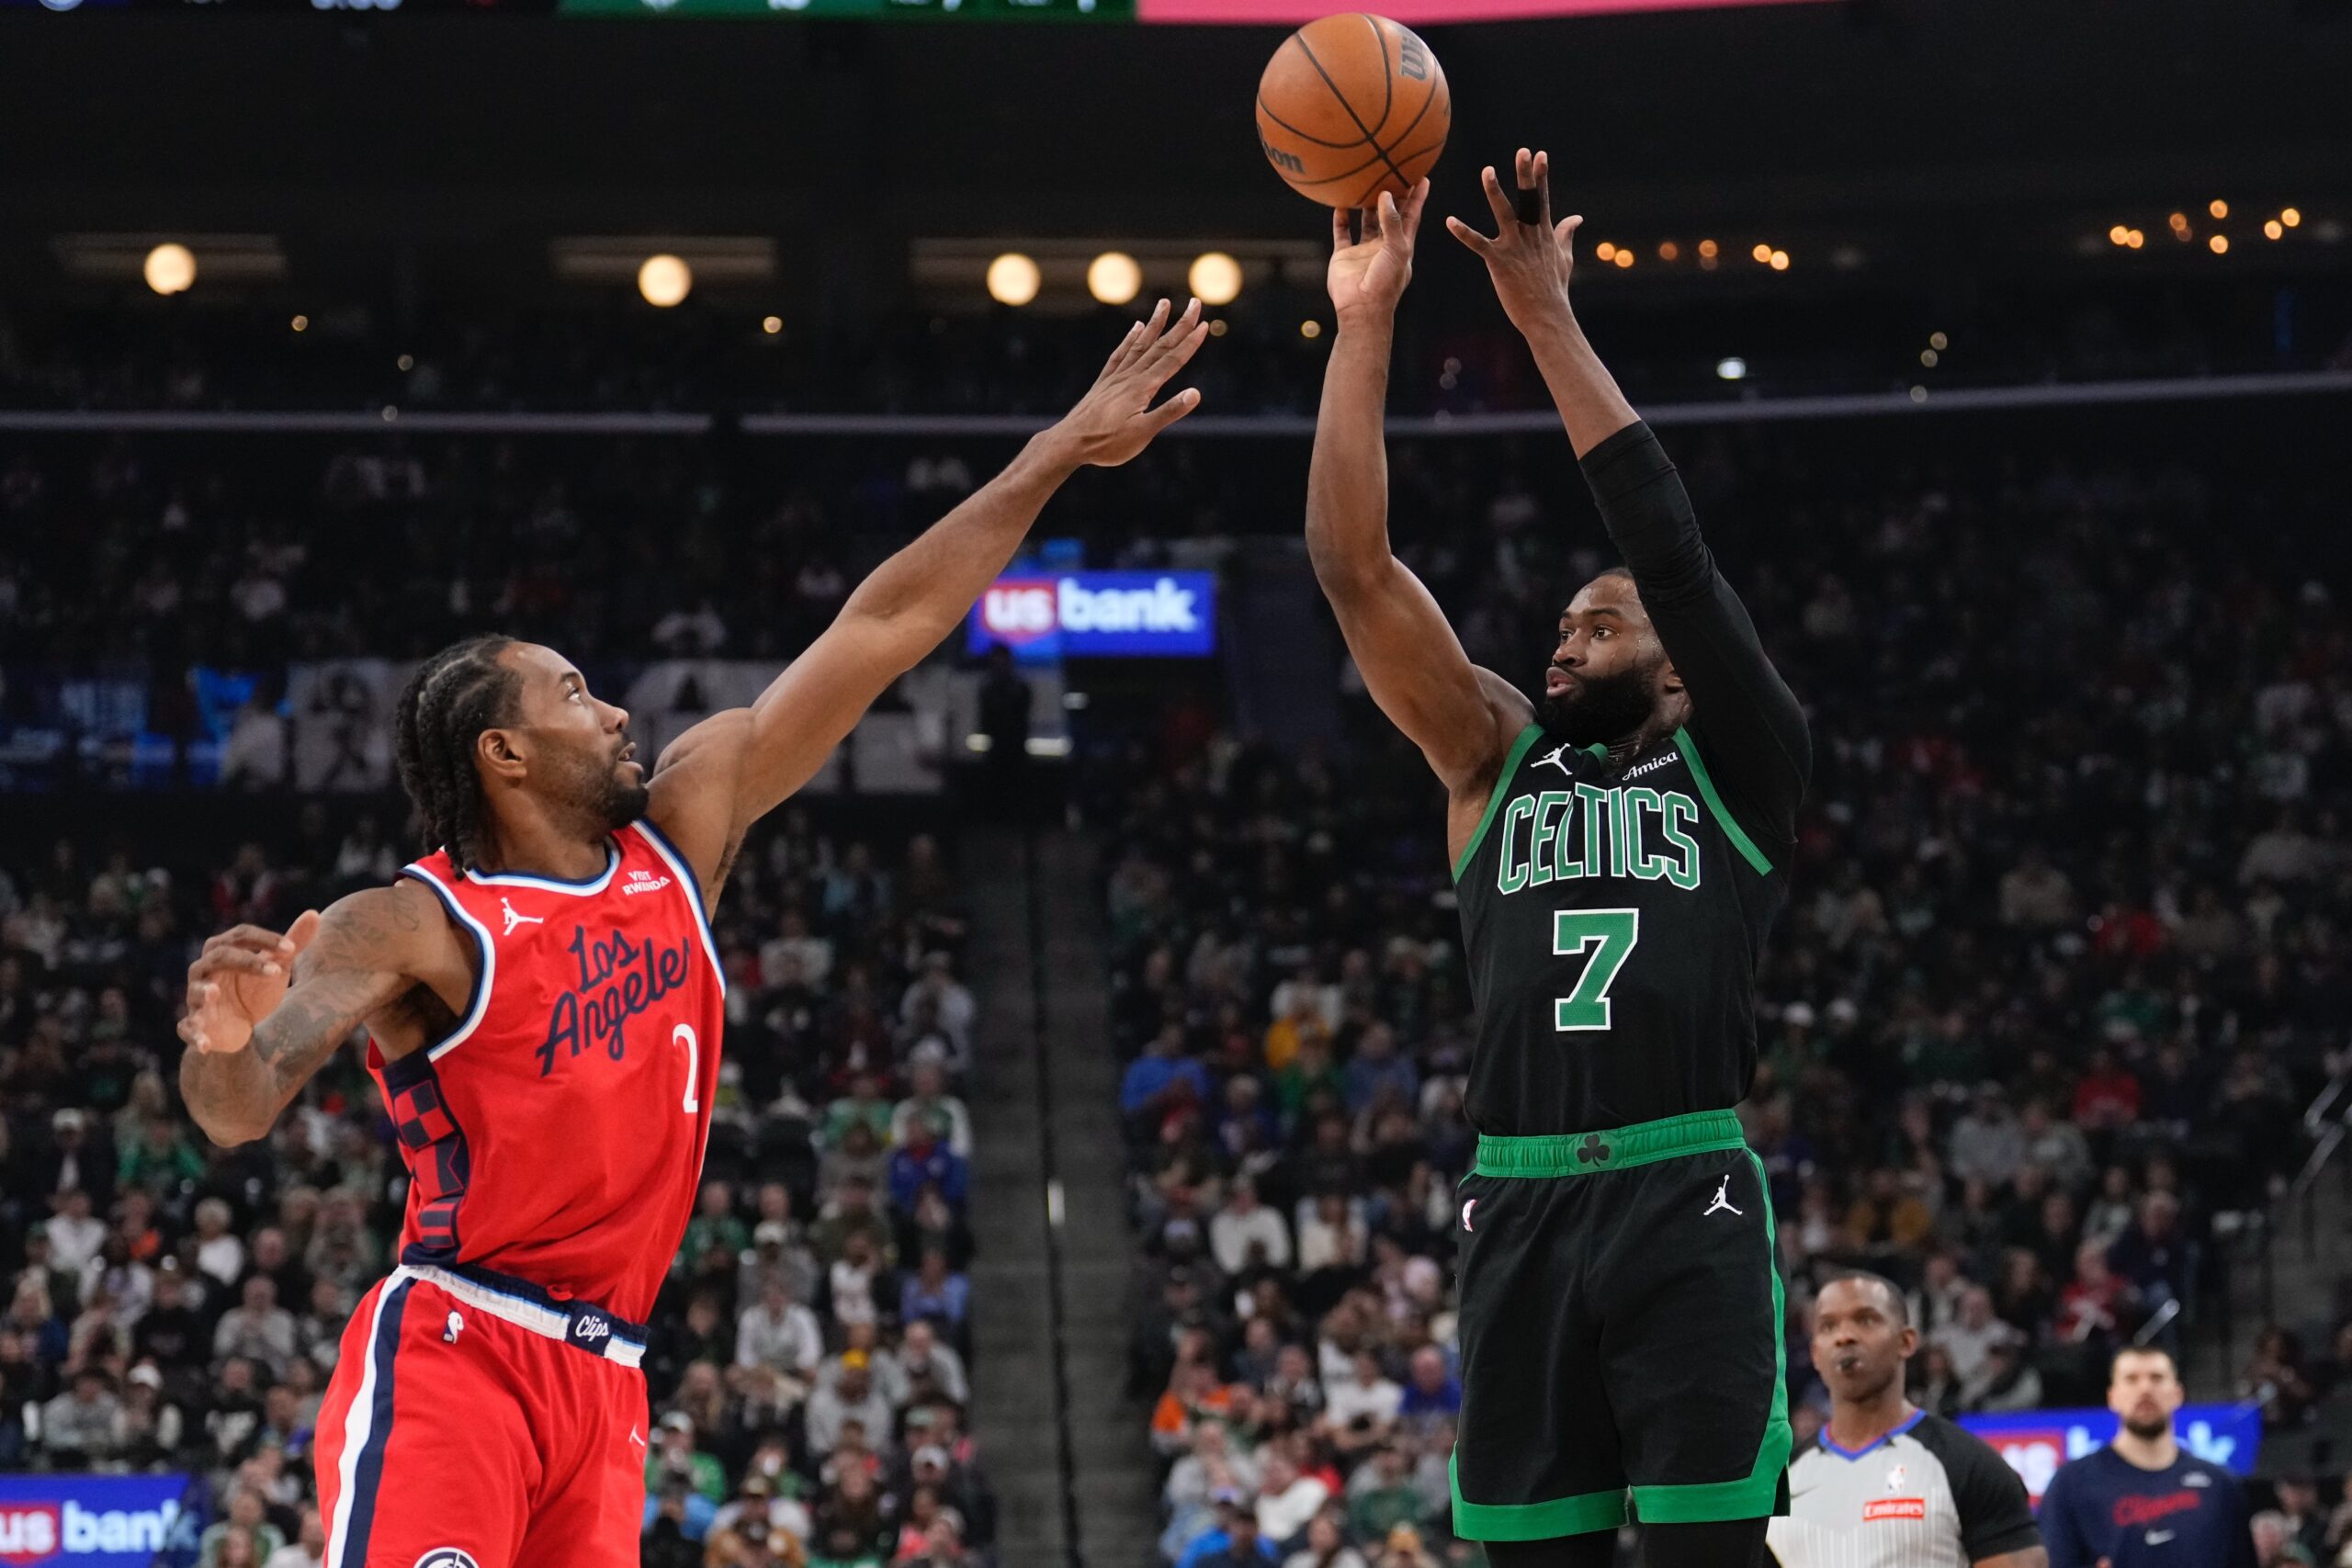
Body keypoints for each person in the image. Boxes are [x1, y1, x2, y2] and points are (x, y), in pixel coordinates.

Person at [172, 302, 1208, 1568]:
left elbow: (881, 629)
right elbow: (237, 1112)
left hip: (608, 1383)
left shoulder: (684, 828)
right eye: (573, 694)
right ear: (504, 753)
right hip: (460, 1350)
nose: (616, 711)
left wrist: (1051, 454)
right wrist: (221, 1044)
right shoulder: (414, 922)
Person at [1307, 149, 1808, 1566]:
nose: (1565, 638)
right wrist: (1365, 321)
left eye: (1602, 622)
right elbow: (1353, 568)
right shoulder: (1491, 755)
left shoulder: (1740, 761)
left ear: (1679, 668)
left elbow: (1674, 554)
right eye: (1566, 624)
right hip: (1519, 1189)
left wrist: (1546, 320)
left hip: (1685, 1184)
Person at [1769, 1272, 2043, 1567]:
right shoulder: (1781, 1482)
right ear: (1814, 1354)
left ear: (1907, 1341)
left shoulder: (1972, 1467)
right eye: (1828, 1326)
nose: (1844, 1336)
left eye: (1865, 1320)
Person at [2037, 1346, 2256, 1568]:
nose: (2145, 1389)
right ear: (2112, 1396)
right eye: (2131, 1379)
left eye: (2157, 1378)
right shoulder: (2072, 1483)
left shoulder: (2220, 1485)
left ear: (2178, 1394)